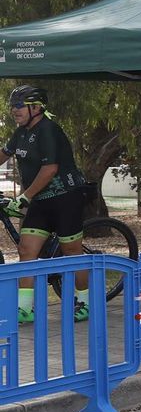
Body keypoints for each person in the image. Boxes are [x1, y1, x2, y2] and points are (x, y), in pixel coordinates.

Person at [0, 86, 91, 323]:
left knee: (72, 252)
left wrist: (24, 197)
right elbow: (3, 154)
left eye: (20, 105)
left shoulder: (49, 130)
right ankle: (25, 309)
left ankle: (85, 302)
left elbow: (50, 169)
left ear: (37, 108)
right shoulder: (20, 132)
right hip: (40, 200)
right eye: (13, 106)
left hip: (66, 197)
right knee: (26, 250)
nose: (14, 110)